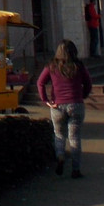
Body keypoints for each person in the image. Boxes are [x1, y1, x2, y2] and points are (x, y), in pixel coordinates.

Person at [36, 39, 93, 178]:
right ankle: (75, 169)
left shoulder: (52, 66)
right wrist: (82, 95)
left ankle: (60, 155)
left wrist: (46, 101)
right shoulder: (78, 65)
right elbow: (88, 83)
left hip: (58, 105)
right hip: (76, 104)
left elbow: (40, 83)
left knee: (59, 135)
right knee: (75, 138)